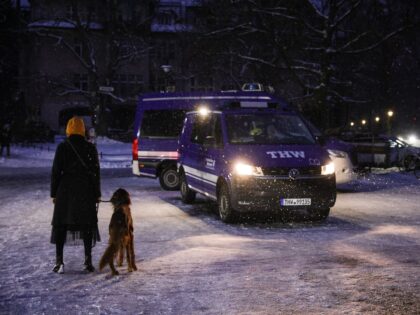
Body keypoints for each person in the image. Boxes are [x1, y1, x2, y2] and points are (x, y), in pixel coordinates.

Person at [50, 116, 101, 273]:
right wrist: (96, 194)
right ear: (82, 130)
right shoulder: (90, 148)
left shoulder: (63, 147)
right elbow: (95, 173)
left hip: (65, 190)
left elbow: (56, 172)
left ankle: (59, 262)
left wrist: (54, 193)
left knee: (61, 225)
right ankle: (87, 261)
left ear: (69, 130)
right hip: (85, 190)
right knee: (86, 225)